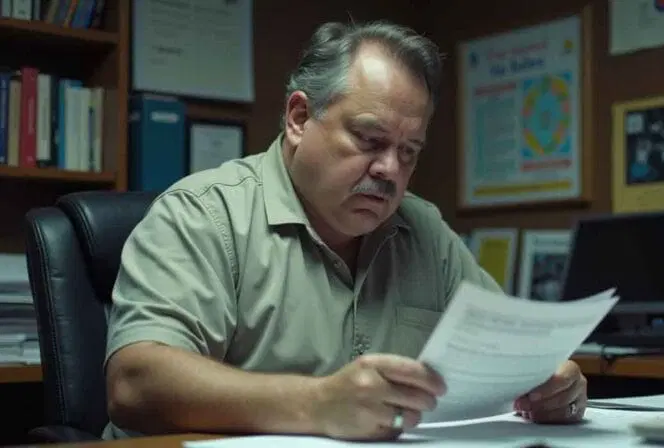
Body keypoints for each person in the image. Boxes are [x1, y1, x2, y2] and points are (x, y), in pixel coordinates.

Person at [102, 20, 587, 441]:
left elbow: (511, 348)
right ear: (298, 118)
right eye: (370, 139)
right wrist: (316, 404)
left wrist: (549, 380)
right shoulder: (204, 215)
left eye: (409, 152)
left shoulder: (423, 230)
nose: (389, 170)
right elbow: (135, 382)